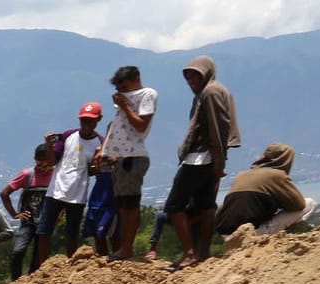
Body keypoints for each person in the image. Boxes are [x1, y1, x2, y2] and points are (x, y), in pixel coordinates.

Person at [165, 55, 241, 271]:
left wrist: (219, 161)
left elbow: (218, 127)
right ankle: (203, 253)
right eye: (187, 77)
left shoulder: (210, 92)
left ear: (205, 72)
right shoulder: (213, 90)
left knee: (174, 205)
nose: (191, 81)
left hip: (200, 158)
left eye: (195, 75)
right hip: (209, 158)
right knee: (206, 205)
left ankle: (190, 253)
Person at [100, 66, 158, 260]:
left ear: (136, 79)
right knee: (123, 206)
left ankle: (127, 248)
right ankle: (125, 247)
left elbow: (141, 126)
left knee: (130, 205)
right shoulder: (128, 100)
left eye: (125, 87)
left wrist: (125, 106)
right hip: (121, 158)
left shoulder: (147, 94)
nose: (122, 92)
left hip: (134, 156)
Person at [37, 104, 105, 265]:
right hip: (56, 190)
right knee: (44, 231)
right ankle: (42, 266)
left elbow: (94, 171)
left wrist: (96, 165)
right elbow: (52, 161)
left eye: (90, 121)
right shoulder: (68, 135)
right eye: (83, 121)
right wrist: (49, 146)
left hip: (77, 194)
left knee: (72, 233)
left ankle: (71, 265)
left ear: (98, 121)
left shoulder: (100, 142)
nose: (86, 124)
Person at [214, 144, 313, 237]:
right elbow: (299, 205)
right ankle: (281, 236)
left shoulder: (242, 175)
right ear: (286, 160)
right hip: (252, 232)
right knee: (309, 203)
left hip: (226, 233)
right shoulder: (277, 175)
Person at [2, 144, 55, 278]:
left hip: (45, 223)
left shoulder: (55, 176)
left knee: (38, 257)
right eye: (39, 159)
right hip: (28, 222)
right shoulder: (28, 175)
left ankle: (33, 282)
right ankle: (16, 282)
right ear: (35, 159)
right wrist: (15, 214)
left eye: (46, 159)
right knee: (18, 251)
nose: (42, 163)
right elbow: (4, 193)